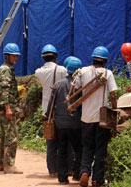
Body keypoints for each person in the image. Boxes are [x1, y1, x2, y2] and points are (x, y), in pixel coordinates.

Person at [74, 46, 117, 187]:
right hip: (102, 119)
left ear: (93, 58)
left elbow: (75, 89)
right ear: (105, 61)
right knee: (100, 149)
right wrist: (115, 112)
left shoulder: (83, 71)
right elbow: (112, 96)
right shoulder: (108, 73)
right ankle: (97, 180)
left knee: (87, 147)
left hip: (86, 118)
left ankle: (84, 172)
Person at [46, 56, 83, 185]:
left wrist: (47, 116)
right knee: (78, 149)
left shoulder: (58, 85)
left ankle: (62, 178)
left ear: (67, 69)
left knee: (61, 149)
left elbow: (51, 104)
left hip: (60, 124)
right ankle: (77, 174)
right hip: (76, 123)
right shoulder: (81, 86)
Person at [35, 44, 67, 177]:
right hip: (60, 111)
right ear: (55, 57)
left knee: (50, 142)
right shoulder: (62, 70)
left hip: (46, 112)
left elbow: (41, 85)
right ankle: (63, 169)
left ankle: (52, 170)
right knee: (63, 141)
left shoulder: (38, 72)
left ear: (43, 57)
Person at [0, 43, 23, 174]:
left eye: (17, 56)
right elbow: (4, 89)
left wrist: (16, 92)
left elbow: (6, 88)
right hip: (7, 108)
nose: (16, 59)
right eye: (14, 56)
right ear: (7, 56)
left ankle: (0, 163)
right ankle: (9, 165)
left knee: (2, 135)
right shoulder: (6, 69)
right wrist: (8, 108)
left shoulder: (6, 68)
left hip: (4, 107)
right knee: (11, 137)